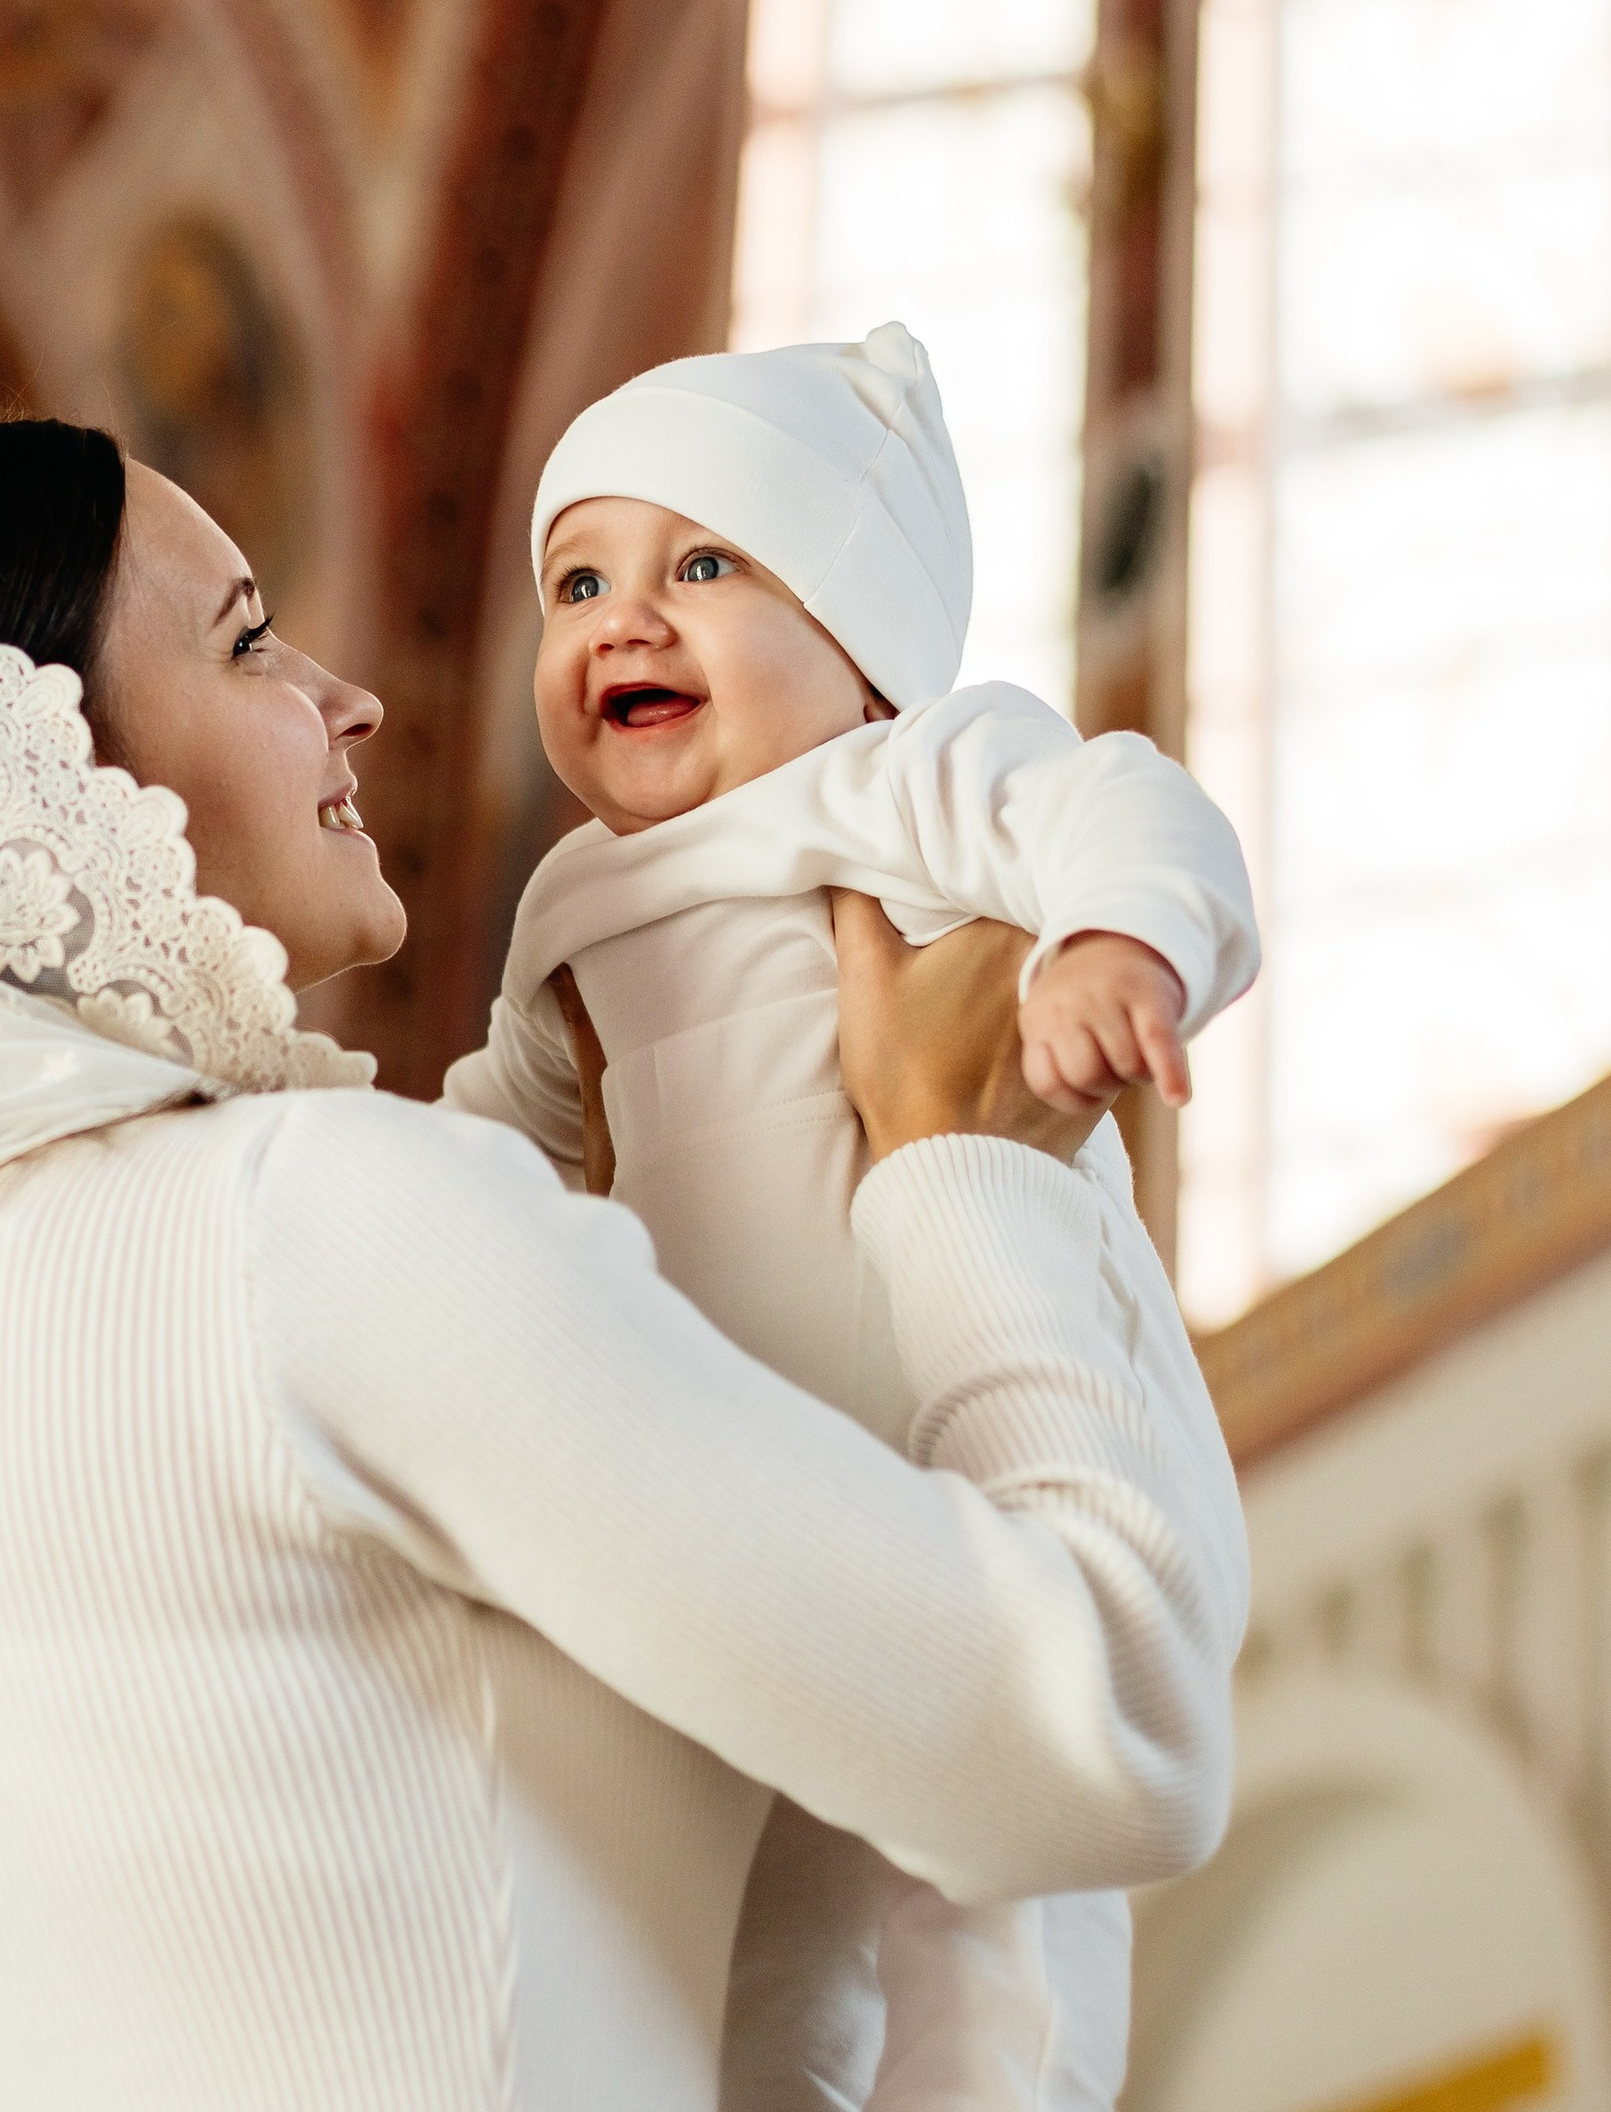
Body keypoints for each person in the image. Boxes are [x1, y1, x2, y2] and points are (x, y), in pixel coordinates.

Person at [0, 416, 1247, 2112]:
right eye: (244, 641)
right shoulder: (296, 1225)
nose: (347, 696)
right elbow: (1107, 1731)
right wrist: (973, 1170)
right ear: (14, 779)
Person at [443, 325, 1258, 2109]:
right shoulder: (571, 903)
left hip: (954, 1415)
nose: (623, 622)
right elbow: (500, 1130)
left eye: (706, 564)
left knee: (983, 1895)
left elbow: (1133, 807)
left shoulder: (904, 788)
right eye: (578, 579)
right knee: (755, 1906)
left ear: (868, 655)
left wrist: (1124, 943)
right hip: (725, 1470)